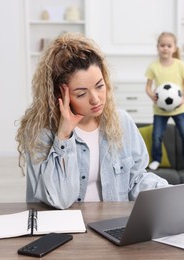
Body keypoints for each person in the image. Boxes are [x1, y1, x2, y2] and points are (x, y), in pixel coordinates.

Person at [16, 32, 169, 210]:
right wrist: (63, 136)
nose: (95, 99)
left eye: (99, 86)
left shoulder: (121, 121)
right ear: (59, 96)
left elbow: (135, 179)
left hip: (110, 225)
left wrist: (171, 193)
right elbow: (59, 199)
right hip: (64, 230)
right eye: (81, 93)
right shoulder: (40, 133)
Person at [145, 32, 184, 170]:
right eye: (162, 45)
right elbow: (148, 87)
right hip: (160, 109)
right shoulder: (153, 66)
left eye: (169, 45)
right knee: (156, 136)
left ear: (174, 48)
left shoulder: (180, 65)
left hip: (179, 108)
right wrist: (151, 96)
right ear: (157, 47)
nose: (165, 48)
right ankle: (156, 159)